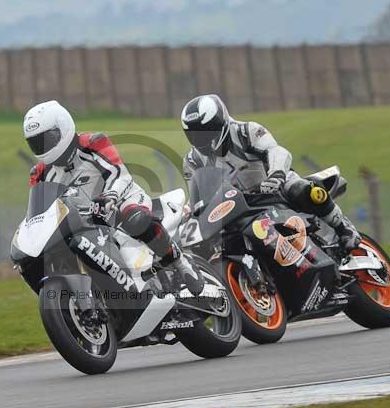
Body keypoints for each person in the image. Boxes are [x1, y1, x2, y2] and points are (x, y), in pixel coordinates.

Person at [24, 100, 204, 295]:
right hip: (83, 220)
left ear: (63, 126)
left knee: (136, 219)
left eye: (48, 139)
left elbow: (120, 173)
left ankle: (181, 263)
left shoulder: (92, 143)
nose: (43, 146)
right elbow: (39, 208)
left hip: (122, 198)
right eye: (36, 142)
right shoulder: (39, 172)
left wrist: (108, 197)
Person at [180, 94, 361, 251]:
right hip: (236, 205)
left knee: (305, 190)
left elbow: (277, 152)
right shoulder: (192, 161)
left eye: (205, 132)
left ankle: (344, 227)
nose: (200, 140)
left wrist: (276, 176)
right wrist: (188, 212)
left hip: (273, 186)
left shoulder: (246, 131)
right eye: (194, 135)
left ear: (220, 123)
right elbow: (198, 194)